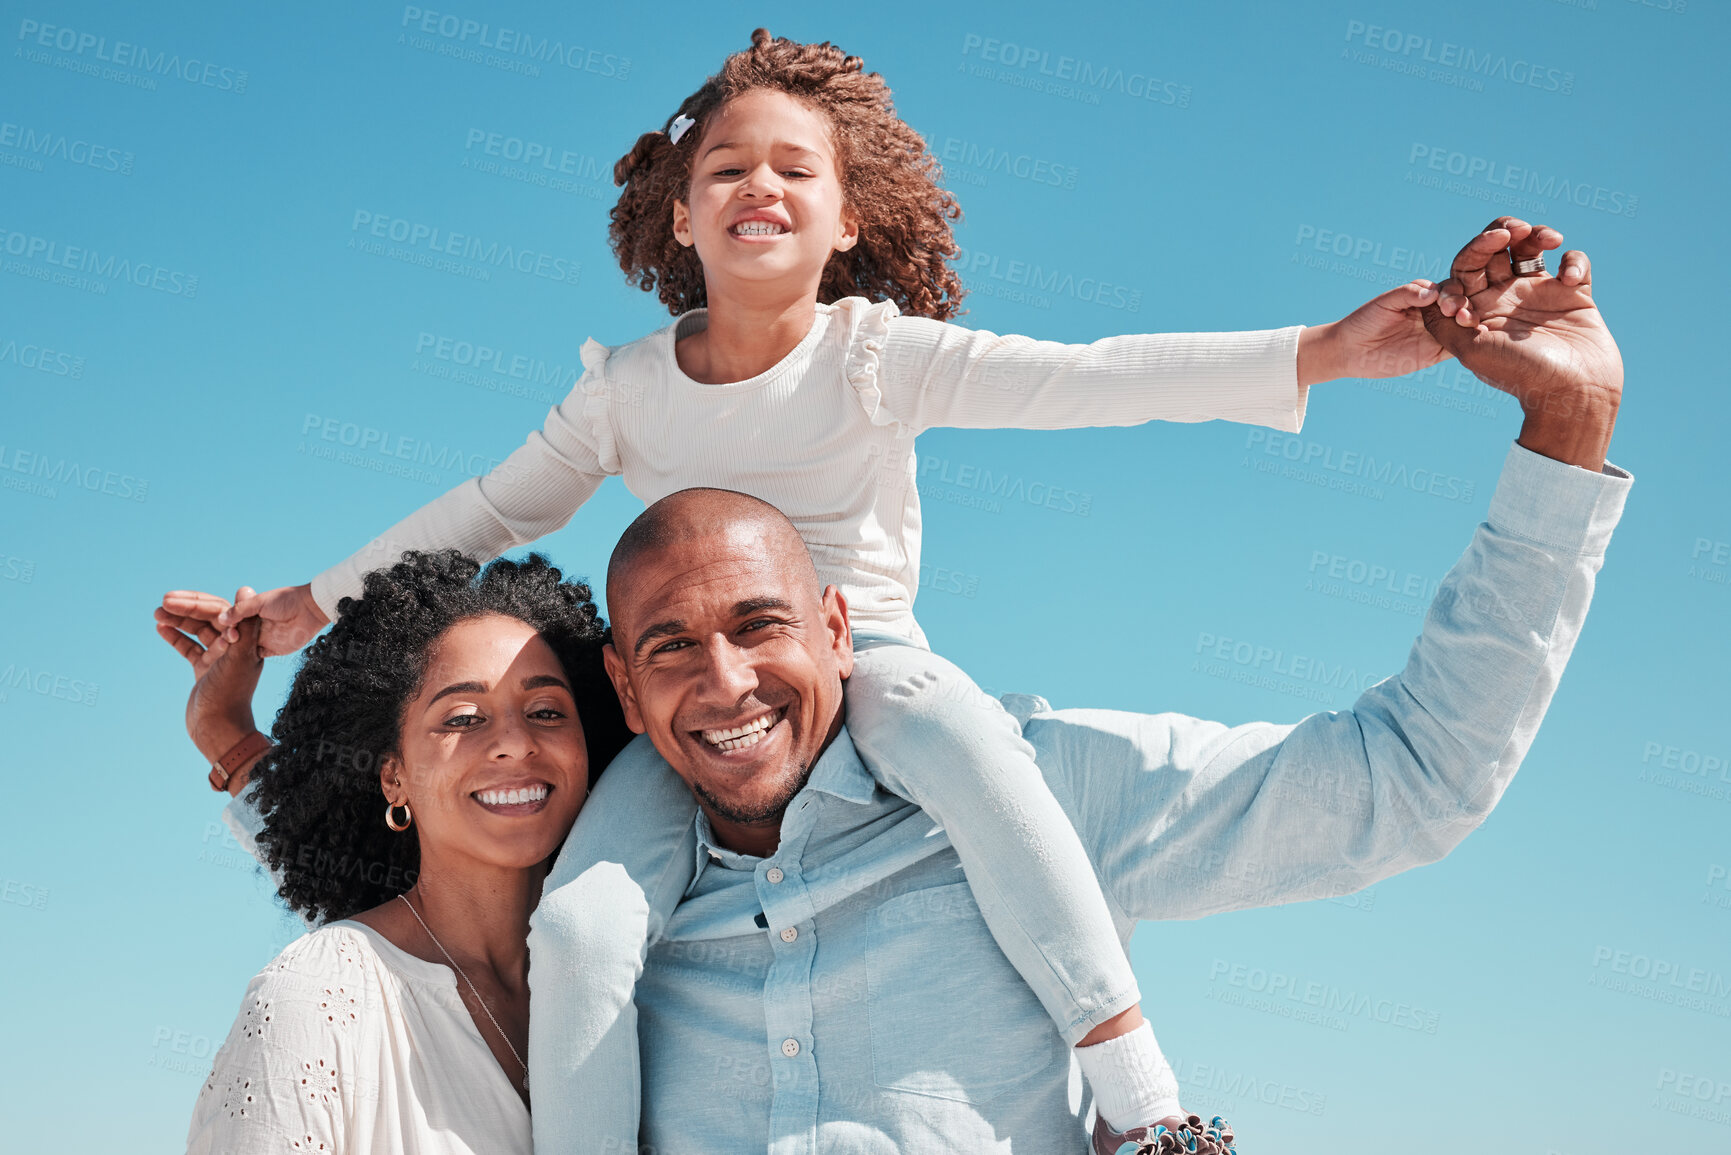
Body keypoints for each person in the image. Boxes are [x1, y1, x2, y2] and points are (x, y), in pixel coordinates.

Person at [173, 27, 1457, 1138]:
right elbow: (489, 510)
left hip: (877, 664)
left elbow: (1091, 379)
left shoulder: (877, 359)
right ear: (680, 216)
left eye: (798, 169)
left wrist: (1317, 354)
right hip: (694, 699)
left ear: (850, 218)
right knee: (576, 930)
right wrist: (308, 605)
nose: (761, 188)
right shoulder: (624, 388)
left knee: (994, 778)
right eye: (727, 169)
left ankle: (1145, 1100)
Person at [521, 214, 1631, 1154]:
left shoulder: (1050, 792)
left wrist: (1565, 435)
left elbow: (1408, 780)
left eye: (761, 626)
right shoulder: (587, 911)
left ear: (839, 629)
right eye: (670, 648)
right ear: (622, 685)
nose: (726, 682)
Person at [154, 552, 631, 1152]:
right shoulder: (320, 998)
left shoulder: (642, 970)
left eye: (546, 711)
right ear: (394, 778)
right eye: (462, 718)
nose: (515, 741)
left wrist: (227, 736)